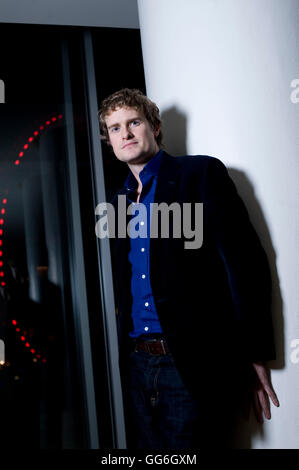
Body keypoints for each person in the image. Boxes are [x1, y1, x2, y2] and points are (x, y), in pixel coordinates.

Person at [98, 88, 280, 449]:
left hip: (189, 364)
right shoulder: (117, 203)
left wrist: (254, 352)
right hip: (137, 364)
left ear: (155, 126)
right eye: (115, 128)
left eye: (134, 122)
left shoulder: (200, 174)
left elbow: (245, 264)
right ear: (110, 141)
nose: (127, 134)